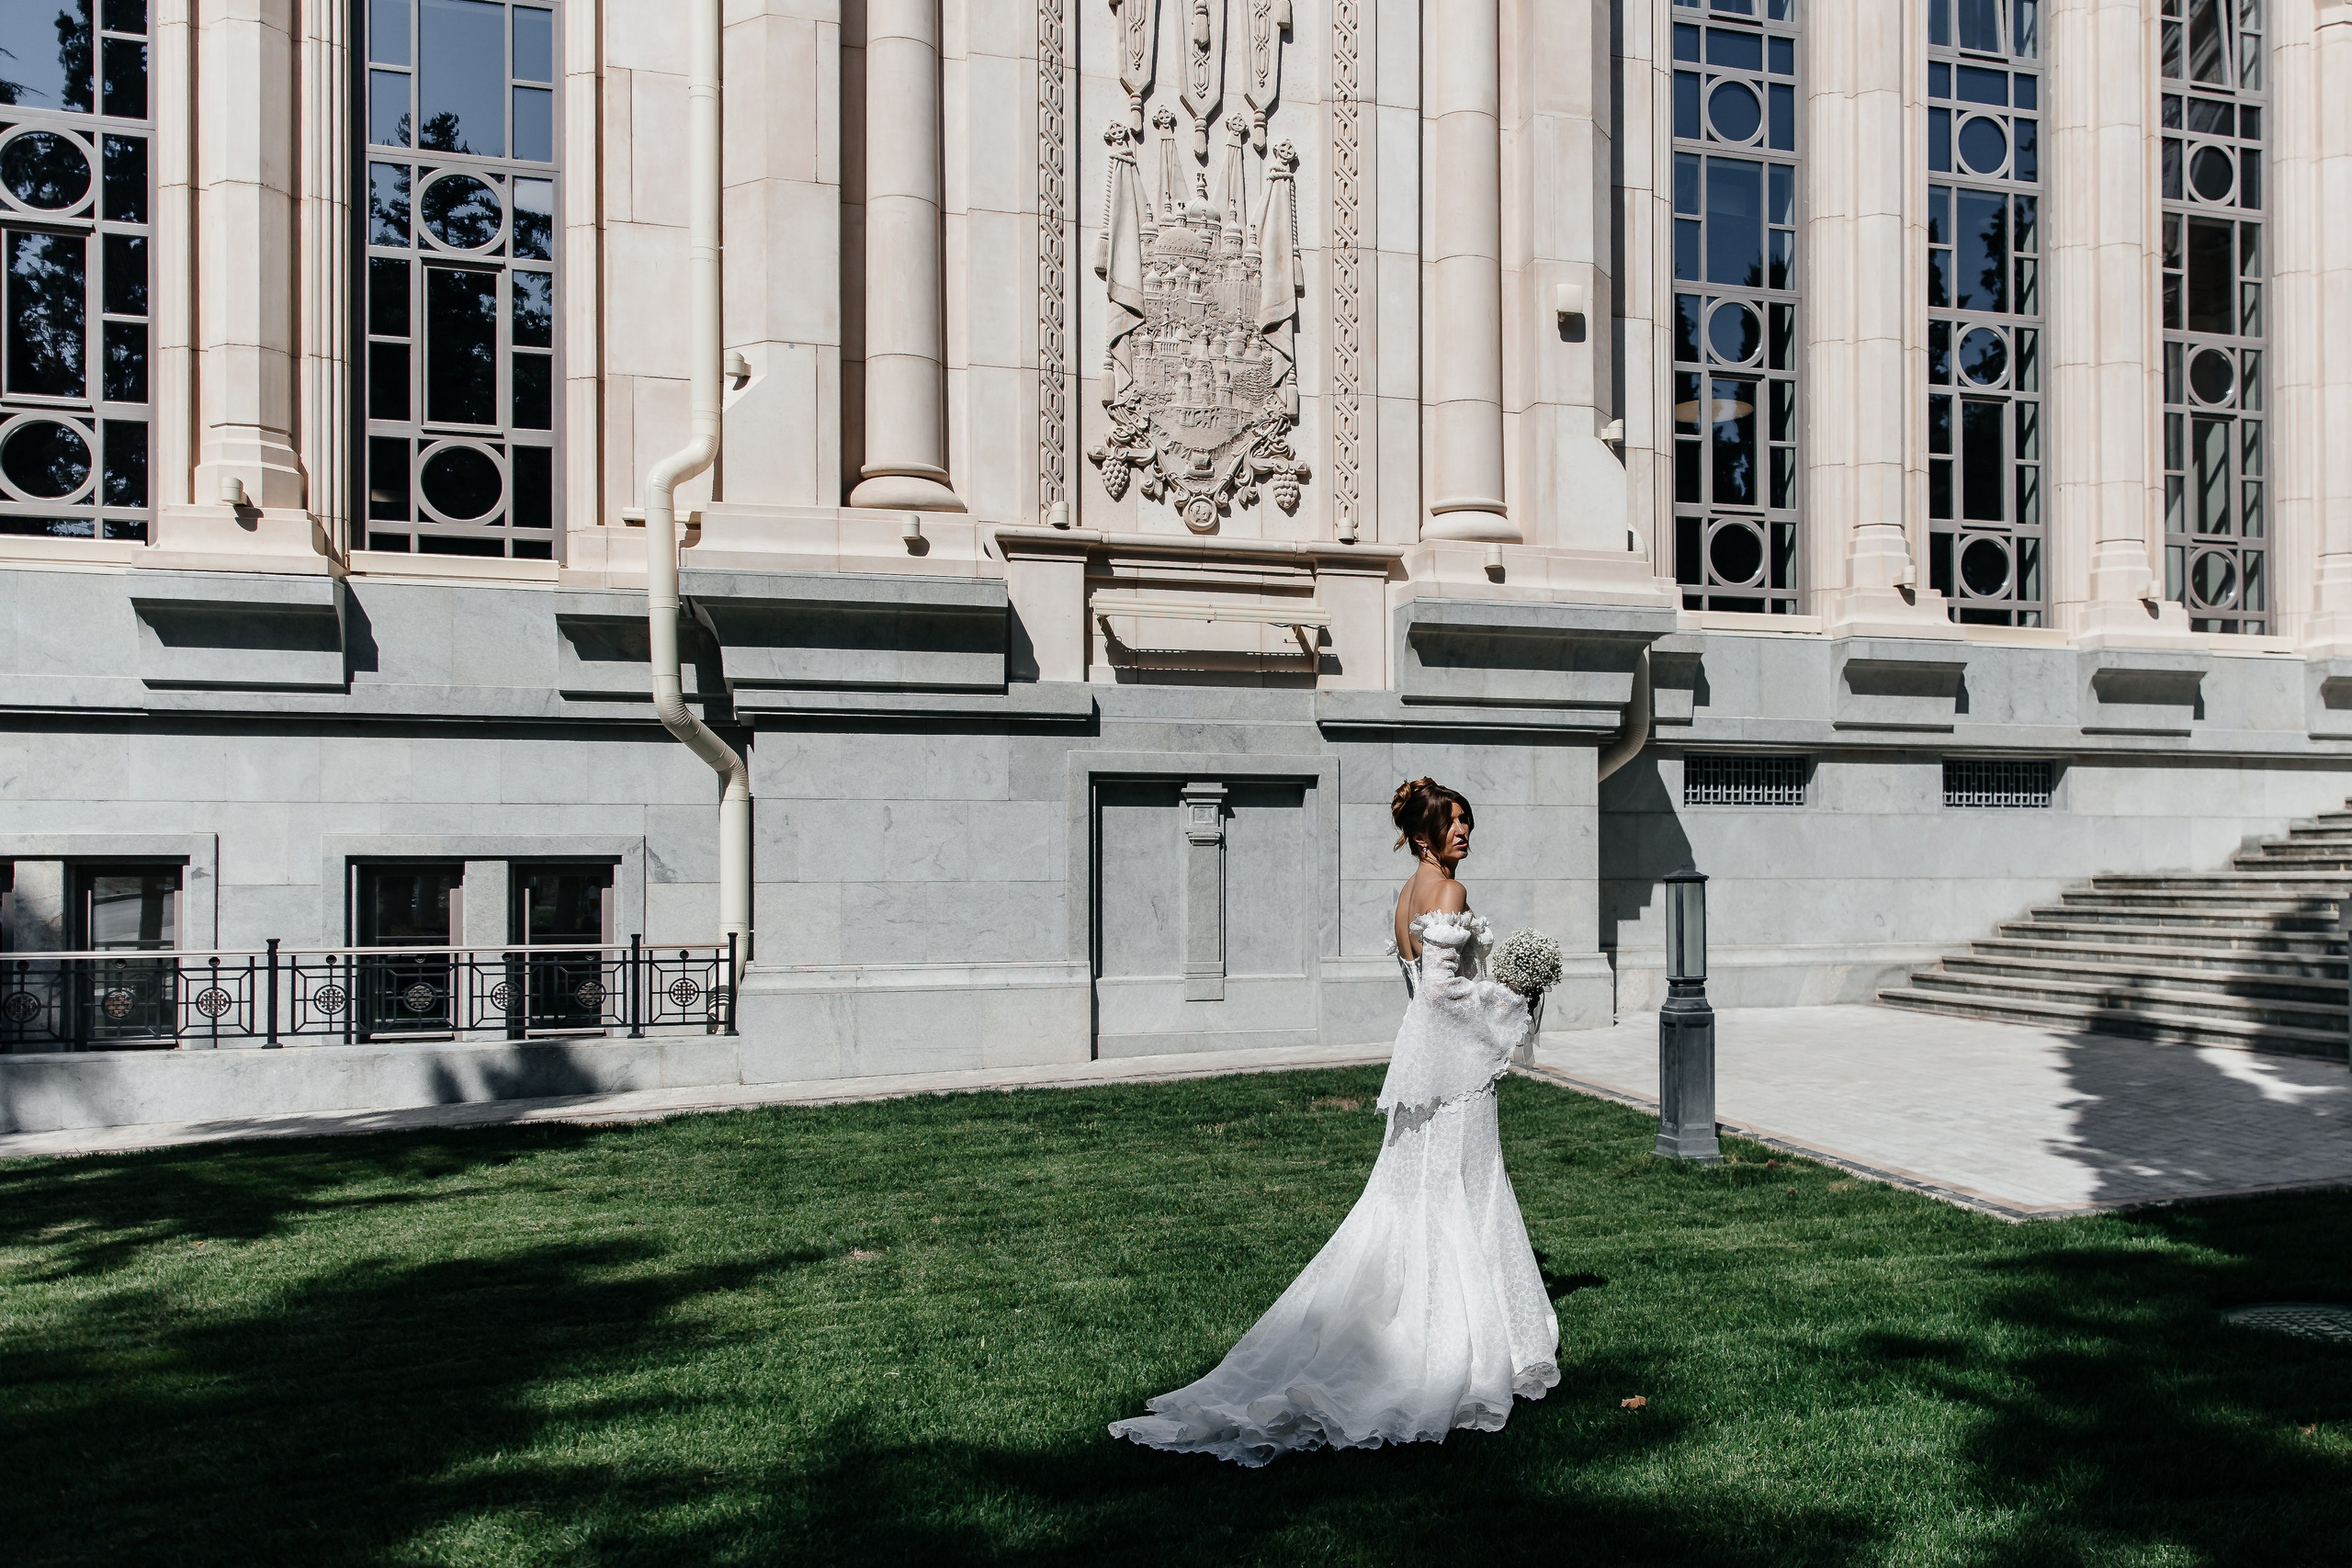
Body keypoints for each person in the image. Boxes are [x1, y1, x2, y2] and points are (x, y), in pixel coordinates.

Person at [1109, 778, 1560, 1466]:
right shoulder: (1449, 891)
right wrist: (1509, 998)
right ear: (1422, 835)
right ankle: (1454, 1340)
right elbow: (1441, 991)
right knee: (1461, 1190)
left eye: (1467, 821)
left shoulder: (1407, 893)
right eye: (1452, 823)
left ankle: (1431, 1311)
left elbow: (1422, 984)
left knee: (1416, 1195)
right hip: (1455, 1072)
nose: (1463, 832)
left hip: (1424, 1067)